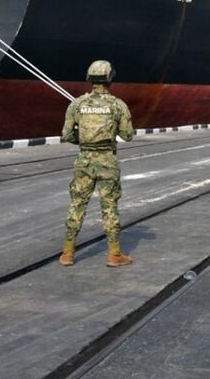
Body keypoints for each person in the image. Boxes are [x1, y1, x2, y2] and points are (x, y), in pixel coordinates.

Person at [59, 60, 136, 268]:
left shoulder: (77, 104)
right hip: (107, 161)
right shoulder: (118, 105)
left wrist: (84, 142)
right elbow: (128, 135)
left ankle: (67, 253)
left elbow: (66, 134)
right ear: (110, 79)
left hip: (84, 160)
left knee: (77, 204)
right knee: (109, 206)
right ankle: (114, 255)